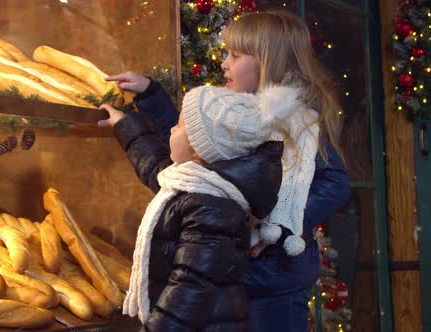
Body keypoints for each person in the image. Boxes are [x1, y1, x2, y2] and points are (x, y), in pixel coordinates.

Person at [105, 10, 350, 332]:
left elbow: (335, 182)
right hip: (233, 279)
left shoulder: (297, 124)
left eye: (234, 55)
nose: (223, 63)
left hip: (274, 284)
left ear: (267, 62)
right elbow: (191, 143)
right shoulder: (236, 118)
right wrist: (151, 95)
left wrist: (279, 222)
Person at [97, 81, 311, 330]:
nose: (171, 130)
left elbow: (188, 292)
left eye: (178, 126)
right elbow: (155, 167)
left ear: (198, 150)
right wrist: (125, 125)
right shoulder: (196, 184)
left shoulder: (212, 209)